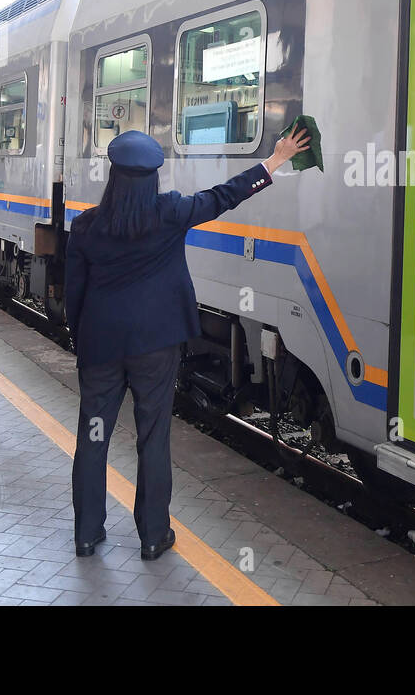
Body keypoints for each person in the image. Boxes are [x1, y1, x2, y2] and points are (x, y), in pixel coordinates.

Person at [65, 126, 311, 560]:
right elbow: (224, 196)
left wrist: (80, 338)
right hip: (155, 348)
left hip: (101, 349)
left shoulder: (86, 226)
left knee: (93, 435)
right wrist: (273, 161)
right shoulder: (171, 213)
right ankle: (152, 536)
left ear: (114, 176)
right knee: (153, 437)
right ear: (153, 178)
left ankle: (86, 534)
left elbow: (75, 294)